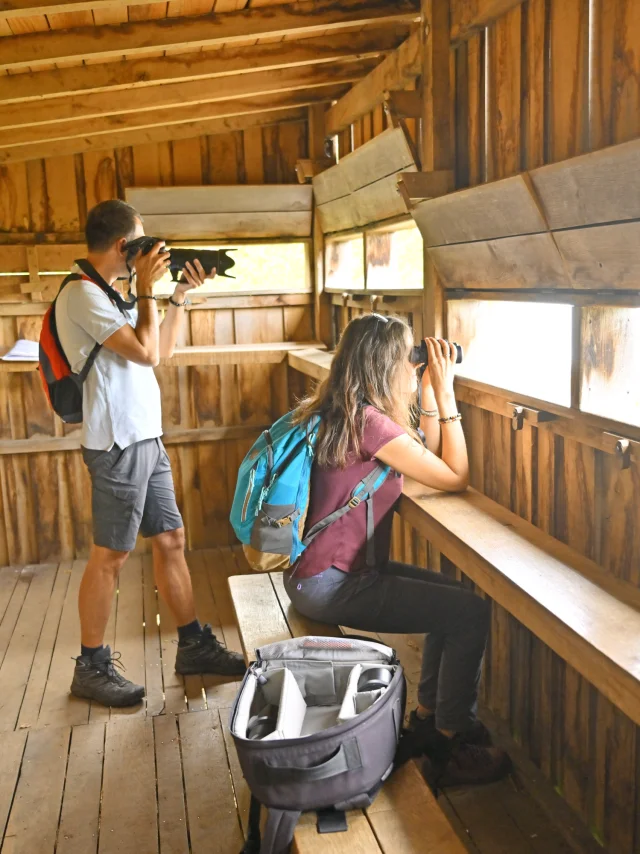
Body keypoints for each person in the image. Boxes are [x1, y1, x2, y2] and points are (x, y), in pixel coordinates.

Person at [284, 313, 511, 787]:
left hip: (315, 575)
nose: (415, 364)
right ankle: (449, 741)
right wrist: (447, 394)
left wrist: (425, 389)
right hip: (333, 585)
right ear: (384, 364)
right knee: (468, 614)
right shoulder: (371, 425)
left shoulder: (345, 411)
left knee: (455, 600)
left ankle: (428, 717)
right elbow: (454, 476)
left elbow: (422, 451)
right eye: (409, 358)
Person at [56, 199, 245, 708]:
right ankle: (90, 666)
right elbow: (144, 351)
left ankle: (193, 646)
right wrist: (145, 289)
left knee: (171, 540)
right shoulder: (81, 294)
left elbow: (161, 350)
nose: (147, 253)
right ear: (124, 245)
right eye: (141, 243)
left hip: (145, 436)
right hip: (116, 442)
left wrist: (178, 293)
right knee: (112, 555)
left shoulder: (112, 293)